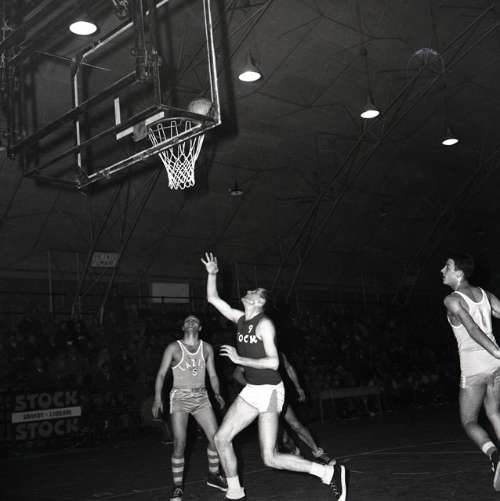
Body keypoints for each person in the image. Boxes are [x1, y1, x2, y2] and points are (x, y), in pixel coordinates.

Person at [201, 252, 347, 501]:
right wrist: (212, 274)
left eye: (253, 291)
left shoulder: (264, 324)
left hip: (270, 391)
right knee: (221, 438)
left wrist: (240, 360)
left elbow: (274, 362)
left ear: (259, 301)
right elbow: (213, 298)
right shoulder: (240, 318)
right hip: (252, 390)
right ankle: (235, 493)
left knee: (270, 458)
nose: (248, 290)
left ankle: (328, 473)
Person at [152, 315, 227, 501]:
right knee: (180, 443)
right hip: (180, 398)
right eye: (187, 321)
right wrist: (157, 398)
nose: (191, 322)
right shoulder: (173, 347)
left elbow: (213, 375)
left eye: (195, 321)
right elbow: (161, 374)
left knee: (217, 438)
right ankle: (177, 487)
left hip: (201, 397)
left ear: (200, 328)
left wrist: (217, 393)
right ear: (183, 327)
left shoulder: (207, 348)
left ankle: (213, 475)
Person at [442, 253, 500, 490]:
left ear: (459, 273)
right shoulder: (485, 294)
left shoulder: (451, 299)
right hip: (495, 365)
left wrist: (497, 351)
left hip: (475, 367)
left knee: (468, 421)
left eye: (447, 267)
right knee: (494, 412)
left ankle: (495, 456)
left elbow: (473, 329)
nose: (442, 270)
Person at [233, 352, 335, 464]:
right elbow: (237, 374)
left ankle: (318, 452)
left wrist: (298, 387)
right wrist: (253, 386)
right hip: (264, 399)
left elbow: (289, 368)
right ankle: (295, 453)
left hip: (276, 394)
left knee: (295, 424)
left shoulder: (276, 352)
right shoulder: (251, 353)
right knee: (282, 437)